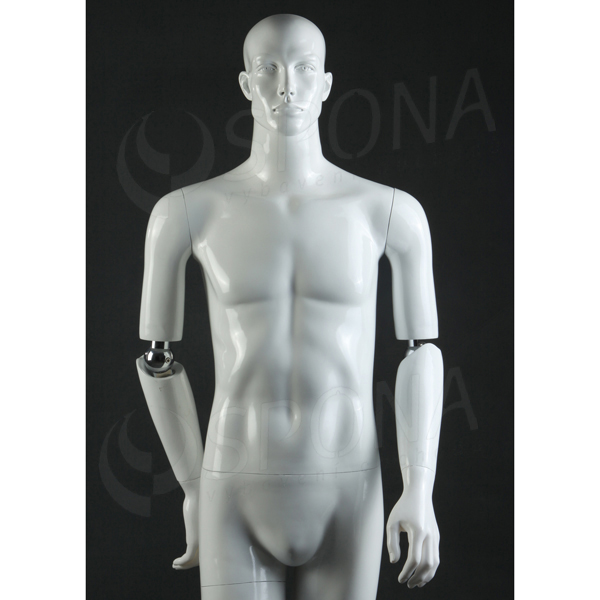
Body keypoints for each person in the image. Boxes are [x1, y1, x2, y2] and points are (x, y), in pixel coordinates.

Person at [136, 14, 444, 600]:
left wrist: (420, 488)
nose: (286, 88)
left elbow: (420, 352)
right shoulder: (186, 212)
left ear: (325, 84)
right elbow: (157, 358)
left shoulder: (389, 212)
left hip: (349, 486)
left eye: (304, 69)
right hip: (233, 481)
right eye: (268, 70)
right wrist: (192, 486)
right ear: (246, 84)